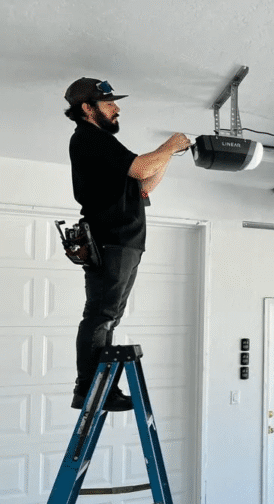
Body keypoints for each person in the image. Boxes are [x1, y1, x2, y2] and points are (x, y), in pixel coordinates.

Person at [64, 77, 191, 411]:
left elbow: (146, 182)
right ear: (87, 109)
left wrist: (169, 154)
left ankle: (99, 388)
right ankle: (89, 389)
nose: (116, 108)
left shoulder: (101, 144)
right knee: (101, 315)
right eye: (108, 104)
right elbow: (141, 167)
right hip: (112, 241)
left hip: (124, 243)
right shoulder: (90, 138)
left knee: (108, 316)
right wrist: (169, 144)